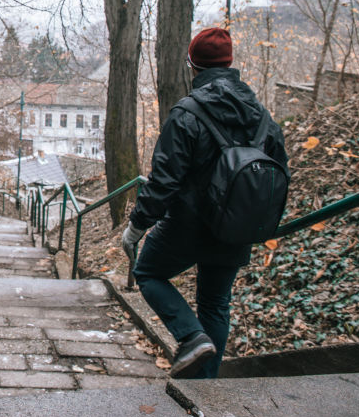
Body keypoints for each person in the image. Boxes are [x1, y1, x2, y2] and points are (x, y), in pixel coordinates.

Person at [121, 27, 288, 379]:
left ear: (192, 65)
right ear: (230, 64)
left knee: (148, 272)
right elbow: (279, 173)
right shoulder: (263, 117)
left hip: (188, 223)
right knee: (215, 303)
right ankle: (204, 387)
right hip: (236, 226)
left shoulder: (187, 112)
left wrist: (137, 225)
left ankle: (191, 336)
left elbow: (164, 180)